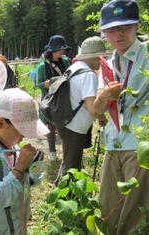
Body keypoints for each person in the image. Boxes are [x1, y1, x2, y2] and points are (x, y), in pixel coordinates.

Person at [94, 1, 149, 234]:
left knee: (135, 215)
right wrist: (105, 96)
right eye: (110, 29)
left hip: (143, 145)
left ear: (137, 25)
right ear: (103, 32)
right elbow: (96, 110)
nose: (118, 34)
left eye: (125, 27)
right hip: (114, 143)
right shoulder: (107, 64)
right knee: (108, 209)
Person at [0, 88, 49, 234]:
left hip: (18, 225)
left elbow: (29, 183)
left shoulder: (15, 147)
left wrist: (34, 168)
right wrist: (19, 168)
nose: (24, 136)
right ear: (0, 123)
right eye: (21, 129)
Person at [53, 36, 109, 186]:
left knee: (68, 159)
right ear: (95, 57)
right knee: (72, 166)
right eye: (102, 58)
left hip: (66, 121)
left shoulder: (74, 68)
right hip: (75, 126)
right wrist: (103, 116)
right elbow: (92, 108)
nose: (102, 61)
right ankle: (66, 199)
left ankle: (58, 188)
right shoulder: (88, 74)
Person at [37, 35, 71, 161]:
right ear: (51, 50)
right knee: (50, 125)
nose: (61, 52)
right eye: (59, 50)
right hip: (50, 99)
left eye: (63, 49)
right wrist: (44, 84)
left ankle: (67, 150)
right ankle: (52, 151)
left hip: (63, 97)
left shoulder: (66, 61)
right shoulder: (42, 66)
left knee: (64, 124)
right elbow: (39, 84)